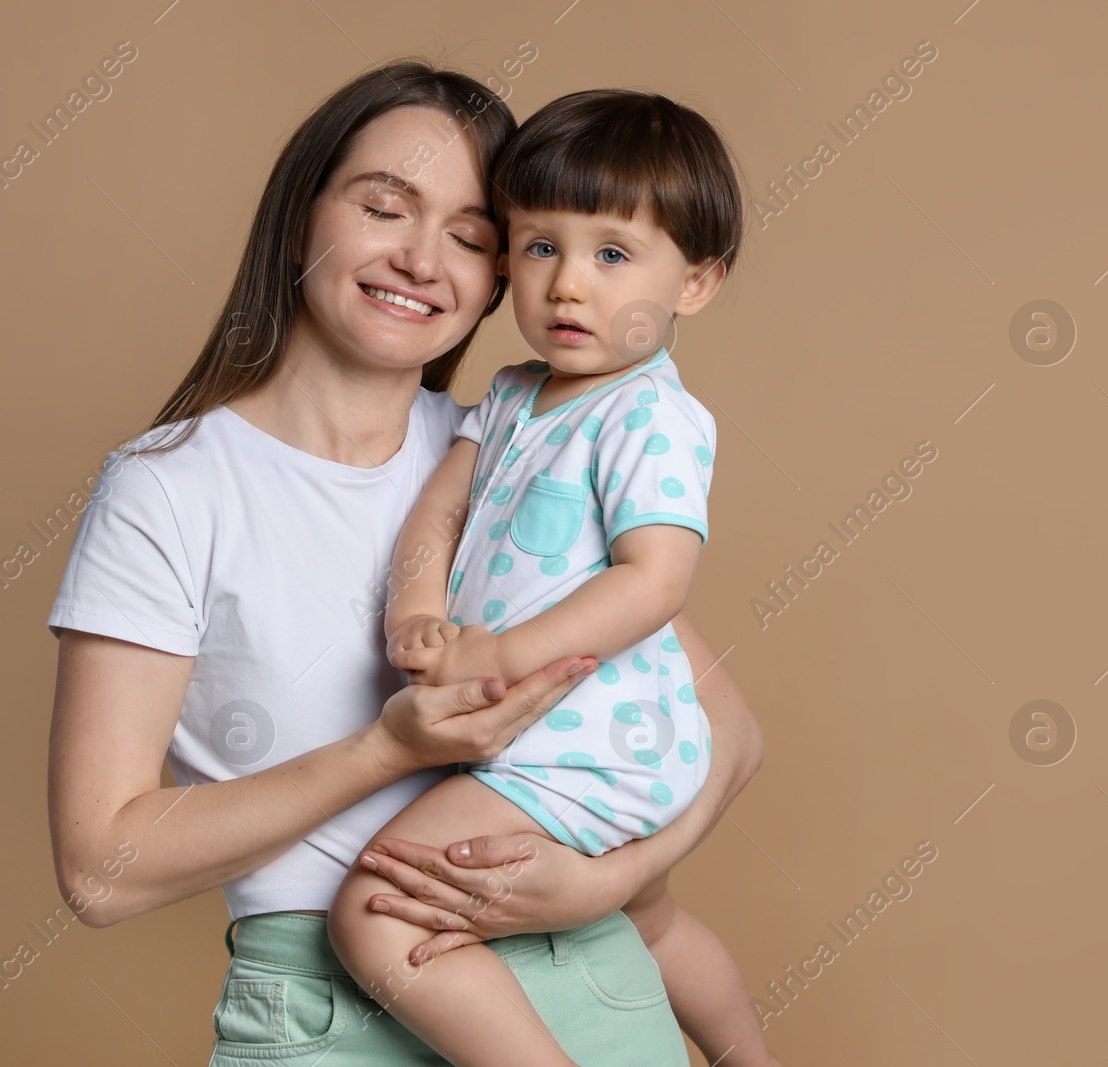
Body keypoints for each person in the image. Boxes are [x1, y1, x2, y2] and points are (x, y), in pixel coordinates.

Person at [44, 59, 765, 1066]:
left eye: (472, 237)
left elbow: (727, 729)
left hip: (587, 982)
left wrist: (609, 883)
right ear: (304, 213)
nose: (424, 259)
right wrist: (386, 749)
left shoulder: (517, 446)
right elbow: (100, 869)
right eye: (385, 207)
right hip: (325, 1009)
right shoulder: (170, 488)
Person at [326, 89, 782, 1067]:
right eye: (539, 248)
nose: (568, 285)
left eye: (611, 255)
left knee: (376, 906)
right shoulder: (514, 393)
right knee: (649, 921)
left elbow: (653, 580)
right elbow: (439, 511)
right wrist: (415, 609)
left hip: (590, 741)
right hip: (546, 736)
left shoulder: (649, 416)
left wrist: (501, 652)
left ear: (694, 283)